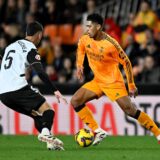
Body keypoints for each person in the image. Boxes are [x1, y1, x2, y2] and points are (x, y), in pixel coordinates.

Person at [71, 13, 160, 145]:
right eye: (87, 26)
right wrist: (79, 65)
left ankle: (158, 133)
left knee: (130, 110)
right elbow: (81, 49)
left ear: (99, 27)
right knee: (75, 101)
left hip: (113, 82)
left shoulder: (111, 44)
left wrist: (131, 85)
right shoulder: (85, 38)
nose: (87, 29)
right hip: (98, 81)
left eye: (90, 27)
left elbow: (127, 63)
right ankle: (98, 131)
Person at [0, 21, 67, 150]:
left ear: (26, 33)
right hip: (17, 88)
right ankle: (46, 134)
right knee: (48, 110)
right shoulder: (30, 48)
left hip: (2, 93)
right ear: (39, 35)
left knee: (37, 115)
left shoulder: (10, 46)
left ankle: (50, 143)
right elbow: (40, 72)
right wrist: (55, 90)